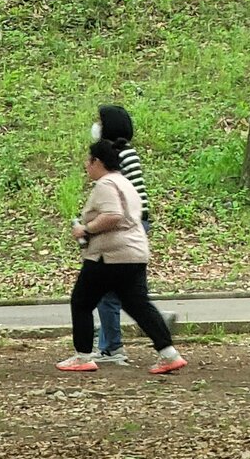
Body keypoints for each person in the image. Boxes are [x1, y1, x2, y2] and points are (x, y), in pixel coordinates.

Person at [58, 138, 185, 375]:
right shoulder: (126, 182)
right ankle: (169, 354)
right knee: (137, 304)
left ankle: (83, 356)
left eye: (89, 160)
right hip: (135, 252)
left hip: (109, 256)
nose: (86, 165)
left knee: (82, 302)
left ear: (97, 162)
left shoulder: (105, 184)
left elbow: (113, 215)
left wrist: (85, 229)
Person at [92, 103, 150, 365]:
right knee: (121, 292)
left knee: (108, 291)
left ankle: (112, 348)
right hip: (134, 226)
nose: (96, 126)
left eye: (99, 122)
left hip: (124, 227)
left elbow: (119, 200)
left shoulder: (121, 156)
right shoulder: (127, 153)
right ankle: (109, 345)